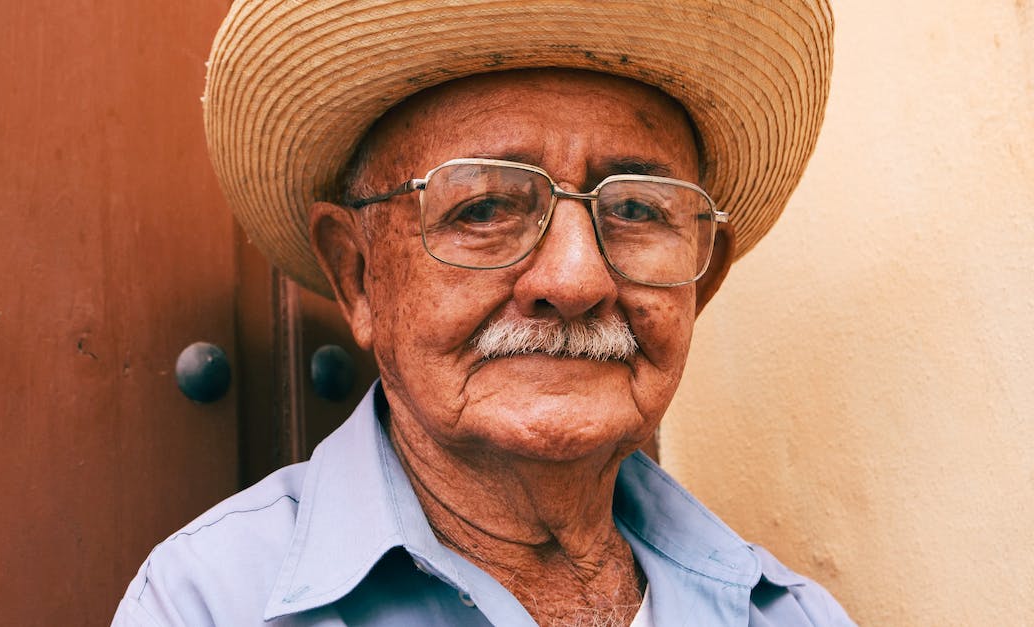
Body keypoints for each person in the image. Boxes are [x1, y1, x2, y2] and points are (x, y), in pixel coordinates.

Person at [114, 0, 854, 625]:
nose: (575, 279)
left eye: (636, 210)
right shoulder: (211, 604)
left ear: (701, 281)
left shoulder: (791, 616)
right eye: (486, 207)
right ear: (359, 275)